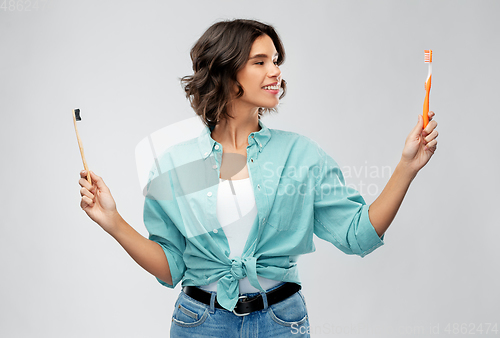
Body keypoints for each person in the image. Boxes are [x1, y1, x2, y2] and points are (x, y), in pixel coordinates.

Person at [78, 19, 438, 337]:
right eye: (260, 62)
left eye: (276, 61)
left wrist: (407, 166)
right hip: (199, 324)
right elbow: (171, 269)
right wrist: (113, 222)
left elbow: (358, 235)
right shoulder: (175, 166)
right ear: (226, 71)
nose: (276, 72)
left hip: (281, 322)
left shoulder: (301, 155)